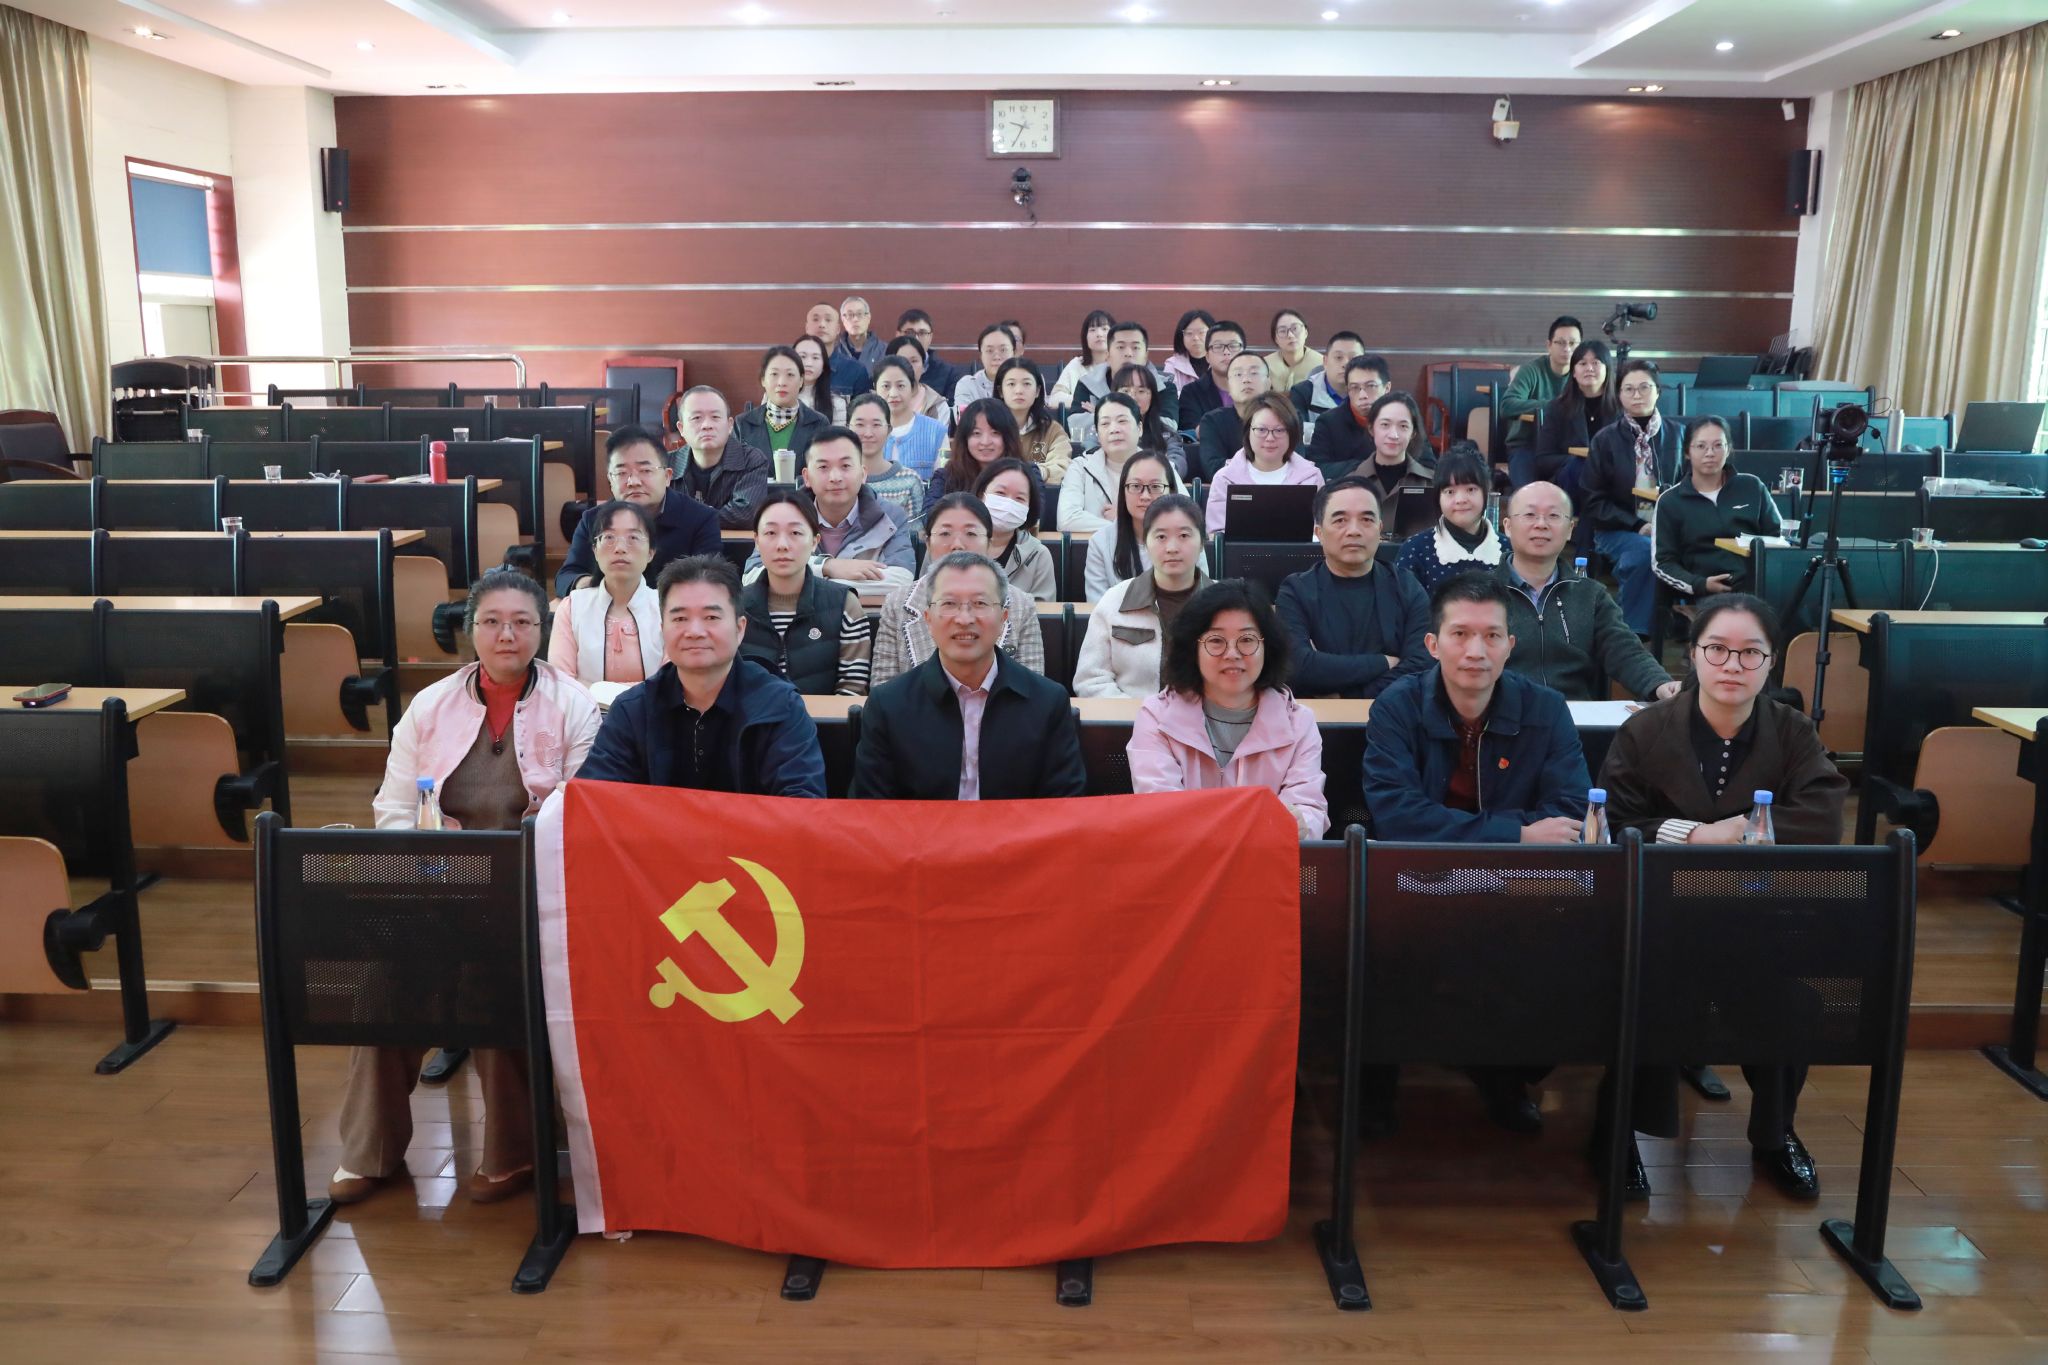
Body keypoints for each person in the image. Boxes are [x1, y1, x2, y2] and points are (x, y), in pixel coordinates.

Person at [337, 570, 600, 1207]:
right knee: (383, 985)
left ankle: (514, 1151)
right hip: (435, 887)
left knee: (492, 978)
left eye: (522, 622)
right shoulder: (430, 706)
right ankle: (369, 1151)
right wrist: (432, 878)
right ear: (470, 629)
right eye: (492, 622)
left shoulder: (575, 705)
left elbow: (579, 813)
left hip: (529, 893)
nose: (507, 634)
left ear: (542, 630)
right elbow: (393, 808)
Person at [1598, 593, 1847, 1201]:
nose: (1732, 664)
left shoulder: (1792, 731)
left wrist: (1739, 830)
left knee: (1792, 999)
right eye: (1717, 649)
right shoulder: (1646, 729)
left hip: (1757, 915)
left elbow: (1822, 816)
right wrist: (1694, 834)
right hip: (1658, 917)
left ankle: (1775, 1134)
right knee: (1645, 991)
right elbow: (1613, 823)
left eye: (1750, 653)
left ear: (1771, 663)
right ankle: (1618, 1131)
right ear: (1693, 655)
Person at [578, 555, 827, 794]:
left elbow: (801, 804)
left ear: (740, 629)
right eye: (680, 618)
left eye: (711, 617)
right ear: (662, 629)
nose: (695, 631)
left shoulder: (779, 706)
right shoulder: (632, 710)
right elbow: (597, 799)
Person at [851, 550, 1085, 801]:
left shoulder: (1048, 702)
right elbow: (872, 806)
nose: (964, 619)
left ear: (1003, 619)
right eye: (949, 604)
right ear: (928, 620)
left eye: (980, 604)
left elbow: (1063, 805)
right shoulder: (888, 704)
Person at [1129, 579, 1328, 840]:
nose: (1232, 653)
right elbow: (1161, 811)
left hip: (1266, 858)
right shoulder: (1157, 716)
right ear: (1193, 648)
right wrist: (1254, 823)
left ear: (1267, 647)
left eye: (1247, 639)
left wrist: (1302, 822)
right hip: (1186, 858)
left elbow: (1308, 810)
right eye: (1216, 640)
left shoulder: (1298, 723)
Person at [1496, 481, 1678, 703]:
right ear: (1507, 526)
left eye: (1553, 516)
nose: (1541, 524)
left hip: (1573, 713)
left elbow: (1624, 650)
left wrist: (1660, 683)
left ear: (1570, 529)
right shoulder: (1482, 593)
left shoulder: (1591, 595)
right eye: (1530, 515)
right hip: (1503, 711)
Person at [1275, 477, 1430, 699]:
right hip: (1320, 718)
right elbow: (1299, 666)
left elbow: (1421, 665)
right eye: (1340, 520)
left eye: (1366, 519)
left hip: (1395, 712)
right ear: (1319, 532)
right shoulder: (1296, 591)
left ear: (1380, 529)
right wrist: (1383, 662)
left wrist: (1347, 696)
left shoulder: (1406, 586)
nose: (1354, 531)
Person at [871, 493, 1045, 686]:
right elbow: (883, 689)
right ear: (928, 543)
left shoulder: (1021, 605)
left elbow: (1032, 688)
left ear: (989, 544)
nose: (958, 545)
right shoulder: (897, 603)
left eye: (971, 534)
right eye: (945, 534)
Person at [555, 425, 722, 596]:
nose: (633, 481)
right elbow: (567, 576)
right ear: (610, 481)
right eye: (621, 473)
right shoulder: (592, 519)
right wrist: (594, 587)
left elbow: (709, 581)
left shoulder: (701, 519)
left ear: (667, 477)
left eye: (645, 471)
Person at [1074, 494, 1209, 697]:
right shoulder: (1115, 600)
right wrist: (1141, 713)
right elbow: (1090, 679)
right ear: (1145, 543)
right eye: (1161, 537)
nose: (1172, 548)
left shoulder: (1224, 603)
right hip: (1129, 714)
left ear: (1202, 543)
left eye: (1184, 535)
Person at [1583, 359, 1682, 635]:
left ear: (1658, 391)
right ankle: (1633, 634)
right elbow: (1593, 500)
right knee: (1643, 552)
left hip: (1670, 528)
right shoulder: (1605, 440)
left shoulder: (1679, 435)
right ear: (1619, 395)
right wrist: (1638, 525)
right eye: (1629, 389)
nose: (1637, 395)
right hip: (1618, 529)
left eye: (1644, 387)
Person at [740, 491, 873, 695]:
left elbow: (852, 689)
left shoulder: (845, 605)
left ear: (814, 542)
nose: (782, 545)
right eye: (771, 533)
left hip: (826, 717)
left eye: (795, 533)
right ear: (757, 541)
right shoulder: (733, 606)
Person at [751, 425, 915, 587]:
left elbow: (902, 578)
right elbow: (753, 575)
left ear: (863, 474)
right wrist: (826, 566)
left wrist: (817, 583)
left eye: (845, 466)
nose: (835, 477)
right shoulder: (783, 514)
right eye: (823, 467)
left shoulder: (889, 516)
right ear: (806, 477)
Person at [1652, 416, 1783, 599]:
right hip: (1705, 591)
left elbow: (1778, 539)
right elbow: (1663, 563)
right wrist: (1700, 584)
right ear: (1687, 452)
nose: (1710, 453)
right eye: (1701, 446)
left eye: (1718, 445)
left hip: (1758, 586)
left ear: (1728, 449)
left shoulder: (1752, 486)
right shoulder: (1670, 501)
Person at [548, 500, 664, 685]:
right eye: (609, 537)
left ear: (651, 552)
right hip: (583, 705)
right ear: (594, 550)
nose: (620, 548)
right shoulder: (572, 607)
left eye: (633, 538)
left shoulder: (667, 607)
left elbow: (672, 682)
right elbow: (562, 684)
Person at [1059, 393, 1184, 534]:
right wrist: (1122, 524)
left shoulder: (1161, 466)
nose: (1114, 429)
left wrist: (1124, 519)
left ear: (1140, 428)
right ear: (1097, 433)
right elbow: (1067, 519)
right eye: (1105, 423)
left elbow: (1185, 516)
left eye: (1122, 421)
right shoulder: (1081, 467)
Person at [1394, 445, 1510, 594]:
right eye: (1450, 492)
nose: (1460, 500)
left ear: (1486, 491)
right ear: (1438, 497)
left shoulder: (1508, 550)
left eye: (1471, 489)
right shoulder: (1415, 550)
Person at [1203, 393, 1324, 533]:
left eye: (1279, 430)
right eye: (1261, 430)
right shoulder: (1225, 479)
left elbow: (1321, 532)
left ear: (1291, 433)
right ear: (1248, 432)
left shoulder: (1312, 478)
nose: (1270, 438)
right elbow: (1216, 535)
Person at [675, 386, 772, 529]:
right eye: (696, 418)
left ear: (730, 425)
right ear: (681, 428)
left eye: (715, 417)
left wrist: (687, 517)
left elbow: (746, 514)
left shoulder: (751, 460)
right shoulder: (667, 463)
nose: (706, 425)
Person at [1501, 316, 1582, 486]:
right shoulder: (1531, 370)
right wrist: (1555, 405)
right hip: (1527, 445)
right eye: (1560, 343)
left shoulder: (1584, 374)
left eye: (1573, 343)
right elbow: (1507, 405)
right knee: (1528, 495)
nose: (1567, 349)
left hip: (1564, 448)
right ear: (1549, 345)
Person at [1085, 450, 1174, 603]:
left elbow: (1199, 602)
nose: (1145, 496)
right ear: (1123, 492)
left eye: (1155, 486)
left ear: (1171, 491)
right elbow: (1098, 607)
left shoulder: (1187, 538)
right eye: (1135, 486)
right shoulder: (1100, 542)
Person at [1532, 338, 1616, 493]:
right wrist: (1580, 461)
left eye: (1596, 363)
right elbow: (1543, 460)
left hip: (1611, 480)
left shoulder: (1621, 408)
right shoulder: (1558, 408)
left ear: (1607, 370)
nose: (1589, 368)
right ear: (1574, 373)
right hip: (1571, 482)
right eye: (1582, 363)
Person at [732, 345, 831, 469]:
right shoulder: (743, 424)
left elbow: (824, 470)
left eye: (790, 374)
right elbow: (732, 472)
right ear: (763, 380)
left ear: (801, 380)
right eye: (774, 374)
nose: (782, 382)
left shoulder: (819, 423)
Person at [974, 457, 1057, 601]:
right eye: (1000, 493)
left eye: (1019, 498)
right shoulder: (954, 544)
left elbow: (1043, 610)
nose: (1009, 503)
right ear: (982, 495)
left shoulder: (1038, 554)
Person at [1072, 320, 1180, 428]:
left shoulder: (1164, 386)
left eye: (1135, 348)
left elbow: (1169, 427)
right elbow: (1076, 426)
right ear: (1107, 355)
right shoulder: (1088, 384)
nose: (1128, 354)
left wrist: (1102, 414)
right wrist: (1142, 416)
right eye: (1120, 347)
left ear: (1146, 356)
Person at [1195, 348, 1280, 482]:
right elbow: (1214, 469)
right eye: (1238, 374)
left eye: (1254, 373)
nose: (1246, 379)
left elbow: (1295, 464)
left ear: (1268, 383)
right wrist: (1264, 467)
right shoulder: (1212, 421)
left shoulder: (1285, 418)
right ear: (1228, 386)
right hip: (1230, 491)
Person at [1304, 356, 1394, 480]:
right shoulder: (1328, 422)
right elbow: (1316, 468)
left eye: (1370, 386)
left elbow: (1421, 464)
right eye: (1355, 388)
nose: (1362, 395)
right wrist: (1366, 466)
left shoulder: (1403, 418)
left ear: (1387, 388)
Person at [846, 391, 926, 525]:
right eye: (860, 425)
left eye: (876, 425)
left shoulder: (909, 480)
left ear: (889, 430)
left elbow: (915, 533)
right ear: (848, 428)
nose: (868, 433)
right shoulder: (839, 479)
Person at [932, 398, 1031, 505]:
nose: (985, 442)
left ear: (1008, 436)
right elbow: (931, 513)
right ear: (965, 438)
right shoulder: (946, 476)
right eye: (976, 433)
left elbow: (1038, 511)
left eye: (995, 433)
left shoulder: (1028, 473)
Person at [870, 355, 949, 480]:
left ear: (912, 388)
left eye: (901, 386)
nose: (893, 394)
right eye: (886, 386)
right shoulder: (865, 432)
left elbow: (943, 481)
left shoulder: (936, 431)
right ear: (875, 388)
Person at [996, 356, 1072, 485]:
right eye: (1011, 384)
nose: (1019, 391)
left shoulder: (1052, 430)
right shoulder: (990, 428)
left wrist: (1036, 472)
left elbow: (1062, 467)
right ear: (1000, 391)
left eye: (1026, 384)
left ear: (1037, 391)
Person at [1113, 362, 1191, 477]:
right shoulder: (1102, 431)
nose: (1133, 397)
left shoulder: (1166, 434)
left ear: (1152, 397)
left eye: (1141, 391)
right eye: (1125, 391)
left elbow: (1178, 465)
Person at [1288, 331, 1366, 444]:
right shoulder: (1302, 393)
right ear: (1325, 361)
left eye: (1353, 358)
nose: (1345, 364)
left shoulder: (1372, 392)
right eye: (1338, 357)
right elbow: (1297, 438)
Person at [1176, 318, 1245, 435]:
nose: (1226, 352)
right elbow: (1190, 433)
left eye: (1233, 346)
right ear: (1207, 356)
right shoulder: (1191, 392)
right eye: (1218, 346)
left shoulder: (1258, 387)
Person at [896, 309, 963, 409]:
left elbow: (950, 412)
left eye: (922, 333)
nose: (916, 339)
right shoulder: (883, 369)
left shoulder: (950, 374)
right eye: (909, 332)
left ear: (930, 337)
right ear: (898, 335)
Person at [1049, 309, 1115, 410]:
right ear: (1085, 337)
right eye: (1092, 330)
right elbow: (1054, 399)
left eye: (1104, 329)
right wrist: (1083, 401)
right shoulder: (1076, 365)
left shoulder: (1121, 366)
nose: (1099, 334)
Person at [883, 334, 954, 427]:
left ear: (923, 366)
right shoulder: (875, 401)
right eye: (902, 360)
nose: (909, 366)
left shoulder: (937, 405)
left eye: (914, 361)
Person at [952, 322, 1017, 417]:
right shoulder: (968, 385)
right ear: (981, 355)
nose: (996, 357)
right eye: (989, 350)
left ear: (1014, 353)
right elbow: (964, 421)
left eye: (1003, 350)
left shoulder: (1026, 382)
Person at [831, 294, 884, 395]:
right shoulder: (834, 351)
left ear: (868, 317)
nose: (855, 319)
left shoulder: (884, 350)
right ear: (843, 319)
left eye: (859, 314)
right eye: (850, 315)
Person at [791, 334, 845, 424]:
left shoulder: (836, 404)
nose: (809, 363)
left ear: (824, 365)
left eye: (815, 358)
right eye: (802, 356)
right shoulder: (775, 397)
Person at [1265, 309, 1321, 393]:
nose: (1290, 335)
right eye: (1282, 331)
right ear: (1275, 339)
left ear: (1306, 332)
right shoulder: (1265, 365)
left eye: (1295, 328)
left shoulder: (1321, 365)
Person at [1162, 308, 1215, 392]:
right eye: (1189, 333)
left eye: (1201, 332)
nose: (1195, 338)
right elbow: (1169, 396)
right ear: (1181, 336)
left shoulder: (1222, 361)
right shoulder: (1172, 365)